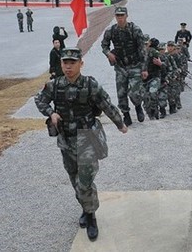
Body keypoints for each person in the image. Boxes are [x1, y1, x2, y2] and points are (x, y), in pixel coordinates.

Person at [34, 47, 128, 241]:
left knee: (84, 180)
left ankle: (91, 216)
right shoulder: (55, 85)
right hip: (66, 138)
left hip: (88, 137)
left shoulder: (90, 84)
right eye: (65, 63)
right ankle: (86, 208)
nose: (68, 67)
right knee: (73, 176)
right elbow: (39, 99)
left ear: (80, 64)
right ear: (61, 65)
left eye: (72, 63)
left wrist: (120, 123)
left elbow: (106, 104)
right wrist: (51, 113)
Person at [101, 6, 148, 125]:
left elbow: (142, 49)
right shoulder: (111, 31)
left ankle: (138, 106)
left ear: (126, 16)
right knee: (121, 93)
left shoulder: (135, 29)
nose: (120, 18)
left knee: (134, 92)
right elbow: (104, 45)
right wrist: (108, 54)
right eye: (118, 16)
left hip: (134, 65)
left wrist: (144, 68)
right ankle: (126, 114)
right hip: (120, 66)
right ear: (115, 17)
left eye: (122, 15)